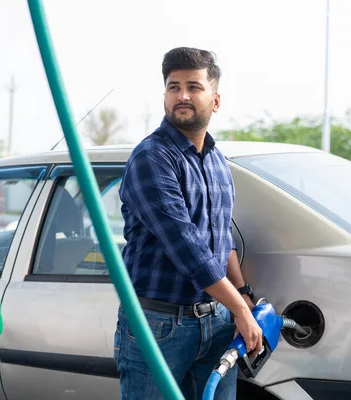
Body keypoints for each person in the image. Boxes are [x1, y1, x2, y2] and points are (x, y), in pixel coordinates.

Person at [113, 47, 263, 400]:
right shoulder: (152, 158)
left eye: (193, 87)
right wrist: (240, 309)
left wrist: (242, 295)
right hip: (159, 324)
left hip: (217, 318)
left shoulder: (216, 161)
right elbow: (187, 246)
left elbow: (221, 239)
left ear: (215, 99)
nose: (181, 96)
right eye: (173, 87)